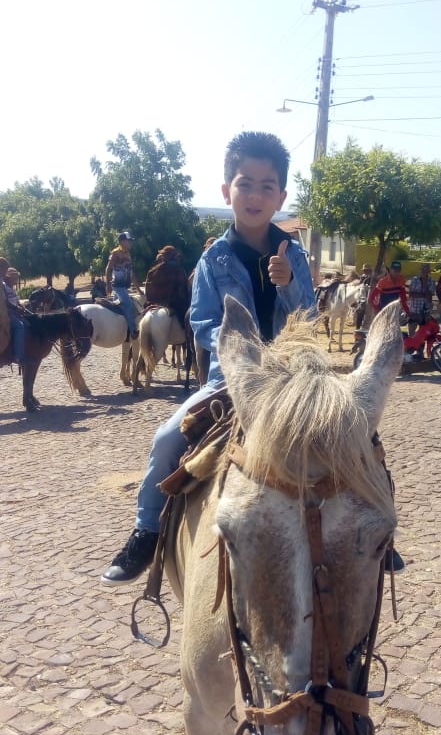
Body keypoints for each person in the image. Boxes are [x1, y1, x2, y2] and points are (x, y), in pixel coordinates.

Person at [101, 131, 316, 585]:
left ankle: (379, 535)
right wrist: (241, 351)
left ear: (281, 196)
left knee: (358, 434)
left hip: (294, 379)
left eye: (266, 185)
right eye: (245, 183)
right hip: (232, 379)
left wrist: (289, 283)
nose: (255, 194)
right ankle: (147, 529)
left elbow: (308, 315)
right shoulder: (213, 259)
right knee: (165, 439)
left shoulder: (294, 253)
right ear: (227, 191)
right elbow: (201, 322)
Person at [105, 231, 144, 339]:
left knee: (116, 308)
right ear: (122, 241)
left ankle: (117, 328)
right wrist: (107, 284)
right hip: (118, 286)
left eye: (131, 241)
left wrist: (138, 289)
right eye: (129, 240)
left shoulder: (128, 254)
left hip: (124, 287)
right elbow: (108, 269)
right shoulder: (115, 253)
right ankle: (133, 330)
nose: (131, 243)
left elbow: (131, 273)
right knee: (128, 305)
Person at [144, 245, 190, 322]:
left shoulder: (153, 271)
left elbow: (148, 288)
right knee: (188, 319)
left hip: (154, 303)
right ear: (174, 257)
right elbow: (184, 290)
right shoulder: (179, 271)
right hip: (174, 304)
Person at [0, 258, 27, 365]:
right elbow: (4, 302)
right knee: (19, 326)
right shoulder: (2, 283)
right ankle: (18, 356)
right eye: (4, 269)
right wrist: (16, 309)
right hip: (3, 313)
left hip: (6, 311)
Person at [408, 263, 436, 335]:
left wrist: (425, 283)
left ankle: (420, 346)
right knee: (411, 333)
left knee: (423, 334)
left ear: (429, 272)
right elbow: (411, 294)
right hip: (414, 310)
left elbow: (429, 297)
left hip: (425, 311)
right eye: (423, 269)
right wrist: (424, 295)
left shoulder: (431, 281)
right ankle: (411, 346)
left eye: (426, 270)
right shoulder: (415, 280)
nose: (424, 271)